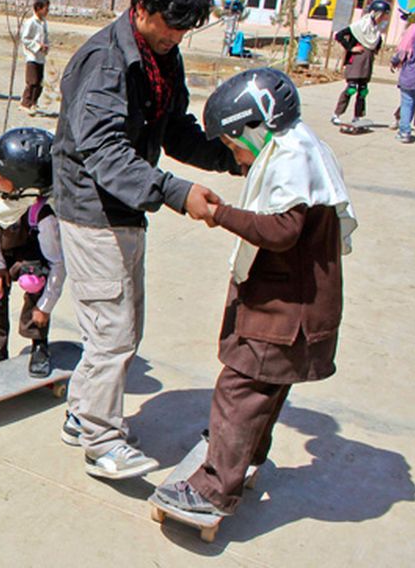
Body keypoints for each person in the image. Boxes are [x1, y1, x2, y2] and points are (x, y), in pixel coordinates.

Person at [52, 0, 240, 480]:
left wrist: (229, 156)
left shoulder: (160, 57)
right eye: (169, 25)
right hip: (92, 210)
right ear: (139, 8)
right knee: (112, 333)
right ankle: (100, 441)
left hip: (128, 207)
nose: (175, 37)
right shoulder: (105, 61)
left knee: (121, 329)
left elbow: (173, 129)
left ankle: (81, 414)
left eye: (184, 29)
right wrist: (177, 194)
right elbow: (105, 152)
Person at [153, 68, 356, 517]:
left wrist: (221, 213)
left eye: (232, 143)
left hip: (284, 314)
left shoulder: (291, 158)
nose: (235, 155)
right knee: (264, 389)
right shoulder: (301, 148)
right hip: (290, 307)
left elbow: (282, 230)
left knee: (238, 389)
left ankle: (212, 488)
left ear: (257, 124)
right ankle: (244, 459)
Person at [0, 127, 65, 376]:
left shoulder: (43, 215)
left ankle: (38, 343)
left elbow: (58, 264)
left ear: (23, 183)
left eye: (0, 175)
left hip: (31, 254)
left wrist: (45, 307)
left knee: (33, 282)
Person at [332, 0, 391, 125]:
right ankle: (337, 114)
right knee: (351, 89)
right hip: (356, 62)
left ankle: (357, 116)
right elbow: (339, 36)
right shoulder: (360, 26)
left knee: (363, 91)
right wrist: (351, 48)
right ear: (377, 13)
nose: (384, 18)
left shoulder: (375, 30)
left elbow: (377, 44)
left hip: (367, 62)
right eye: (384, 15)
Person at [20, 0, 50, 115]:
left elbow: (46, 37)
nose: (47, 11)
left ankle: (33, 102)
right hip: (32, 56)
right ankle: (25, 103)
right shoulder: (30, 22)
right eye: (45, 9)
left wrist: (46, 46)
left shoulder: (43, 23)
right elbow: (25, 39)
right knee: (32, 81)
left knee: (39, 82)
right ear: (38, 8)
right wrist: (37, 46)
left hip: (41, 58)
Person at [390, 16, 415, 143]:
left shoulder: (412, 30)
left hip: (411, 74)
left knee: (407, 103)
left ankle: (405, 132)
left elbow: (402, 52)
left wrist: (394, 62)